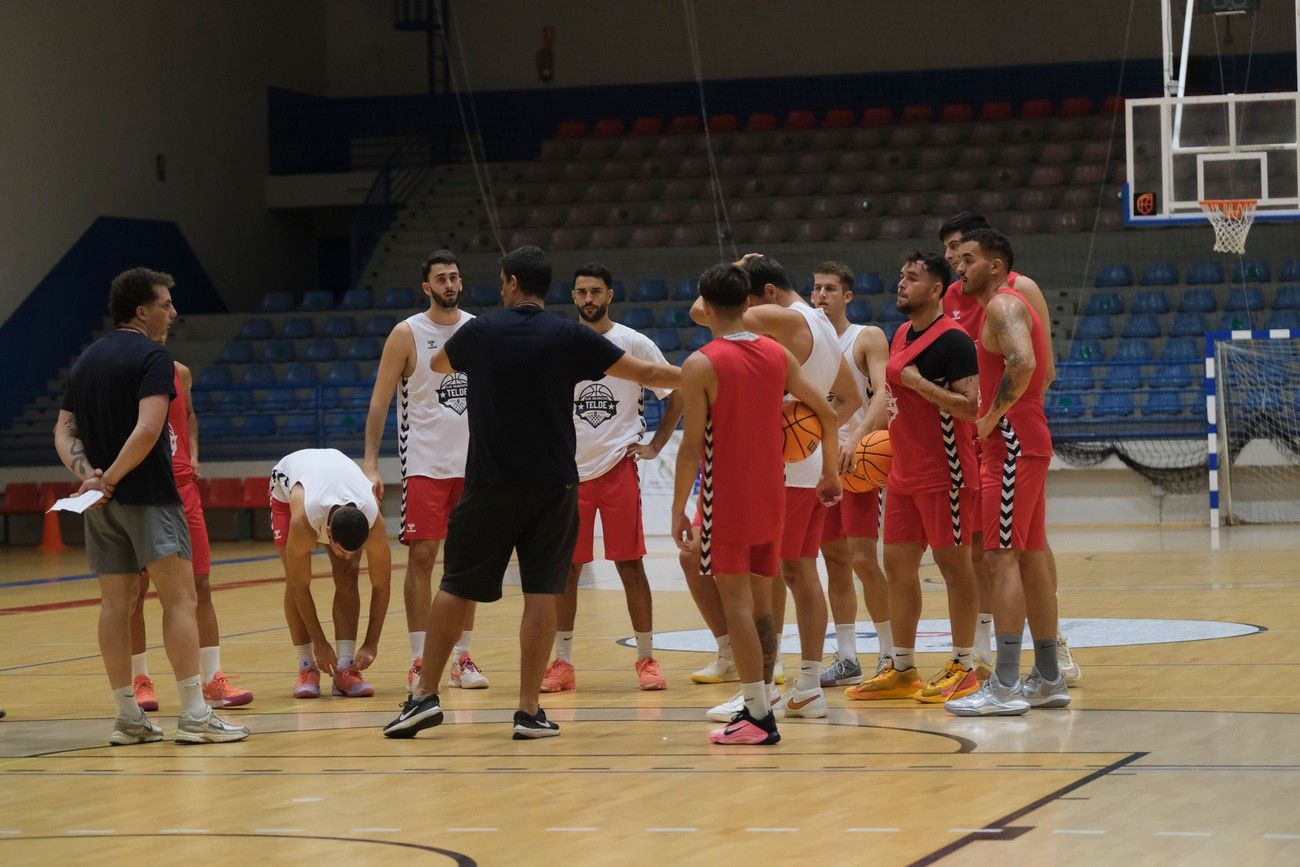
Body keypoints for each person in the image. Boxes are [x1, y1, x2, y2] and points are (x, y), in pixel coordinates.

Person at [382, 245, 680, 741]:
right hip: (554, 485)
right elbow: (649, 375)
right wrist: (711, 373)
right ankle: (528, 711)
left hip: (490, 482)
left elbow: (439, 364)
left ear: (512, 283)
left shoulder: (480, 331)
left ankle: (424, 697)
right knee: (543, 591)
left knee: (455, 586)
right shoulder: (569, 336)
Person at [53, 267, 248, 745]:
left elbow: (63, 429)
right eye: (165, 304)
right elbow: (147, 429)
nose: (173, 312)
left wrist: (90, 477)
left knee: (115, 606)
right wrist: (113, 478)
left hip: (100, 505)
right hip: (150, 496)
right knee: (180, 600)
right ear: (141, 311)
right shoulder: (154, 357)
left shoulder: (87, 359)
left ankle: (127, 718)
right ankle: (195, 715)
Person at [672, 263, 841, 745]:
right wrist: (830, 471)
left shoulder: (701, 363)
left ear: (706, 304)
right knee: (764, 606)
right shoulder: (776, 353)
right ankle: (762, 701)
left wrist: (677, 506)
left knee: (738, 606)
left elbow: (690, 448)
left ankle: (758, 715)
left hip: (727, 496)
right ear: (748, 302)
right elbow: (828, 414)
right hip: (773, 493)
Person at [939, 212, 1081, 686]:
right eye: (956, 258)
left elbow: (1024, 363)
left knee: (999, 557)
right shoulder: (995, 304)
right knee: (1029, 555)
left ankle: (1003, 683)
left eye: (968, 259)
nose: (959, 267)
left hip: (1012, 441)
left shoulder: (1003, 304)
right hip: (1024, 438)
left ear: (995, 265)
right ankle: (1048, 675)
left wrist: (989, 417)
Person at [844, 252, 981, 705]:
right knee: (897, 566)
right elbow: (891, 396)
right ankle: (902, 667)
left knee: (954, 567)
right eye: (901, 275)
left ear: (936, 289)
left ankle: (965, 665)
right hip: (901, 472)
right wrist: (861, 437)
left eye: (913, 278)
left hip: (946, 472)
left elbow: (970, 407)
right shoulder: (902, 333)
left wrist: (919, 383)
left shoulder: (955, 340)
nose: (902, 283)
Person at [540, 263, 685, 694]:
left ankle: (647, 658)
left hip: (618, 467)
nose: (589, 298)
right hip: (569, 474)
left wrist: (656, 444)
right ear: (573, 296)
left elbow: (676, 392)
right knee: (567, 570)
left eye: (596, 291)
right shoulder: (558, 343)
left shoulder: (633, 342)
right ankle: (563, 662)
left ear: (610, 295)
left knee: (630, 566)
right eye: (582, 291)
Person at [364, 249, 487, 693]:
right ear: (426, 287)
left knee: (467, 563)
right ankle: (419, 660)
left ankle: (461, 658)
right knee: (422, 558)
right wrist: (370, 462)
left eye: (454, 277)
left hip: (472, 467)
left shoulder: (477, 329)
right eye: (441, 278)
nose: (449, 284)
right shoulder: (406, 333)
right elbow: (380, 402)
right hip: (424, 464)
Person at [129, 353, 252, 712]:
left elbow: (190, 416)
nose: (168, 322)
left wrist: (193, 453)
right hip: (145, 491)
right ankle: (140, 679)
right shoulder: (127, 373)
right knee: (136, 591)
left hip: (183, 488)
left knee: (201, 585)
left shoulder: (180, 373)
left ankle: (213, 678)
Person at [808, 261, 891, 686]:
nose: (820, 295)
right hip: (818, 464)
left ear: (848, 296)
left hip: (858, 461)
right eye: (816, 288)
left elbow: (883, 394)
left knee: (862, 559)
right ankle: (846, 657)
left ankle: (890, 654)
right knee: (834, 562)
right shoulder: (803, 340)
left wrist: (856, 438)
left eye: (829, 288)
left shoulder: (866, 337)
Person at [272, 448, 392, 699]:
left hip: (336, 473)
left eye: (354, 550)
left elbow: (382, 585)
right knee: (294, 577)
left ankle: (345, 668)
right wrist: (320, 644)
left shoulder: (373, 520)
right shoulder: (303, 521)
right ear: (327, 533)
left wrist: (371, 644)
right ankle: (306, 667)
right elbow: (299, 587)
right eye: (342, 550)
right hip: (289, 483)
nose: (347, 555)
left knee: (348, 572)